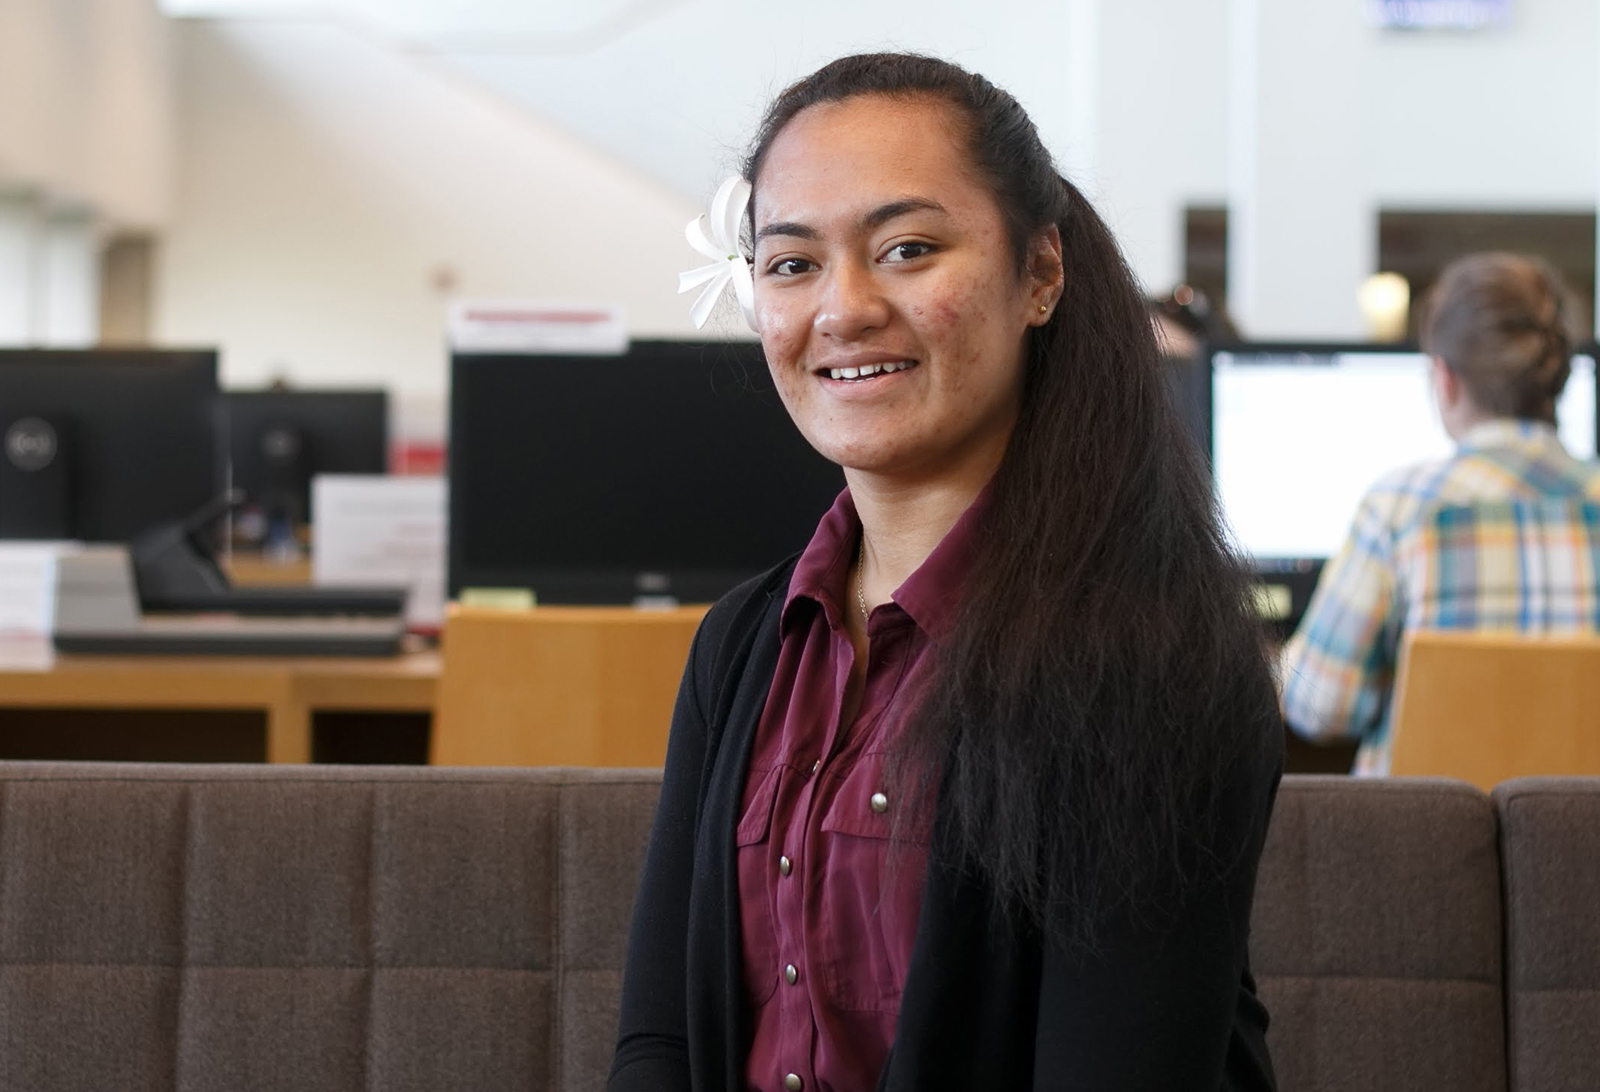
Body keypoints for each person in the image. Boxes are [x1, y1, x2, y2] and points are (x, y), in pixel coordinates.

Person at [610, 53, 1283, 1092]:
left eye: (907, 249)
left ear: (1041, 274)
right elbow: (660, 1045)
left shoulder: (1149, 659)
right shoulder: (744, 644)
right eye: (791, 264)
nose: (843, 308)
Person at [1281, 252, 1599, 775]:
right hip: (1583, 847)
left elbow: (1321, 707)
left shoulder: (1402, 508)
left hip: (1426, 847)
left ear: (1445, 380)